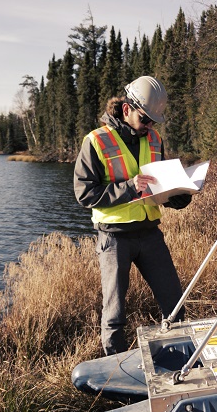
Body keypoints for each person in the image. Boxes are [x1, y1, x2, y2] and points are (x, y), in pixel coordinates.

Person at [74, 76, 191, 355]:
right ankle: (115, 371)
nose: (150, 126)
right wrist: (128, 188)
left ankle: (180, 360)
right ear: (127, 110)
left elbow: (160, 185)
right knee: (114, 313)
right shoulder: (96, 141)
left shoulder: (154, 138)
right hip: (114, 238)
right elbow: (84, 194)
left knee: (174, 304)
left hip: (150, 234)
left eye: (153, 121)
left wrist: (181, 194)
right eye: (145, 119)